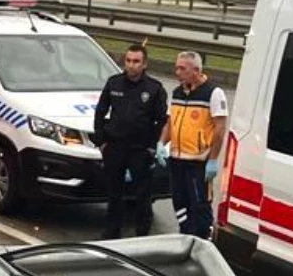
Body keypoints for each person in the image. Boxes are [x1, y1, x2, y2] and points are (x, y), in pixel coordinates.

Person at [93, 42, 168, 239]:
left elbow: (162, 120)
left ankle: (142, 233)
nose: (131, 65)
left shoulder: (154, 88)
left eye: (136, 61)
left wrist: (153, 147)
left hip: (140, 150)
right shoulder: (113, 83)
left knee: (142, 195)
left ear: (144, 64)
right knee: (113, 193)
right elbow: (100, 111)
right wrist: (101, 141)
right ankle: (112, 231)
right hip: (115, 147)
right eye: (128, 61)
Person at [162, 50, 229, 239]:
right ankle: (185, 235)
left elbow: (220, 128)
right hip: (176, 160)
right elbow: (170, 123)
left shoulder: (213, 94)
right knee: (179, 202)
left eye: (182, 68)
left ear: (197, 70)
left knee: (200, 205)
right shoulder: (177, 93)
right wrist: (161, 143)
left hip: (199, 163)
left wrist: (213, 159)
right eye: (176, 67)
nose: (177, 72)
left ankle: (203, 242)